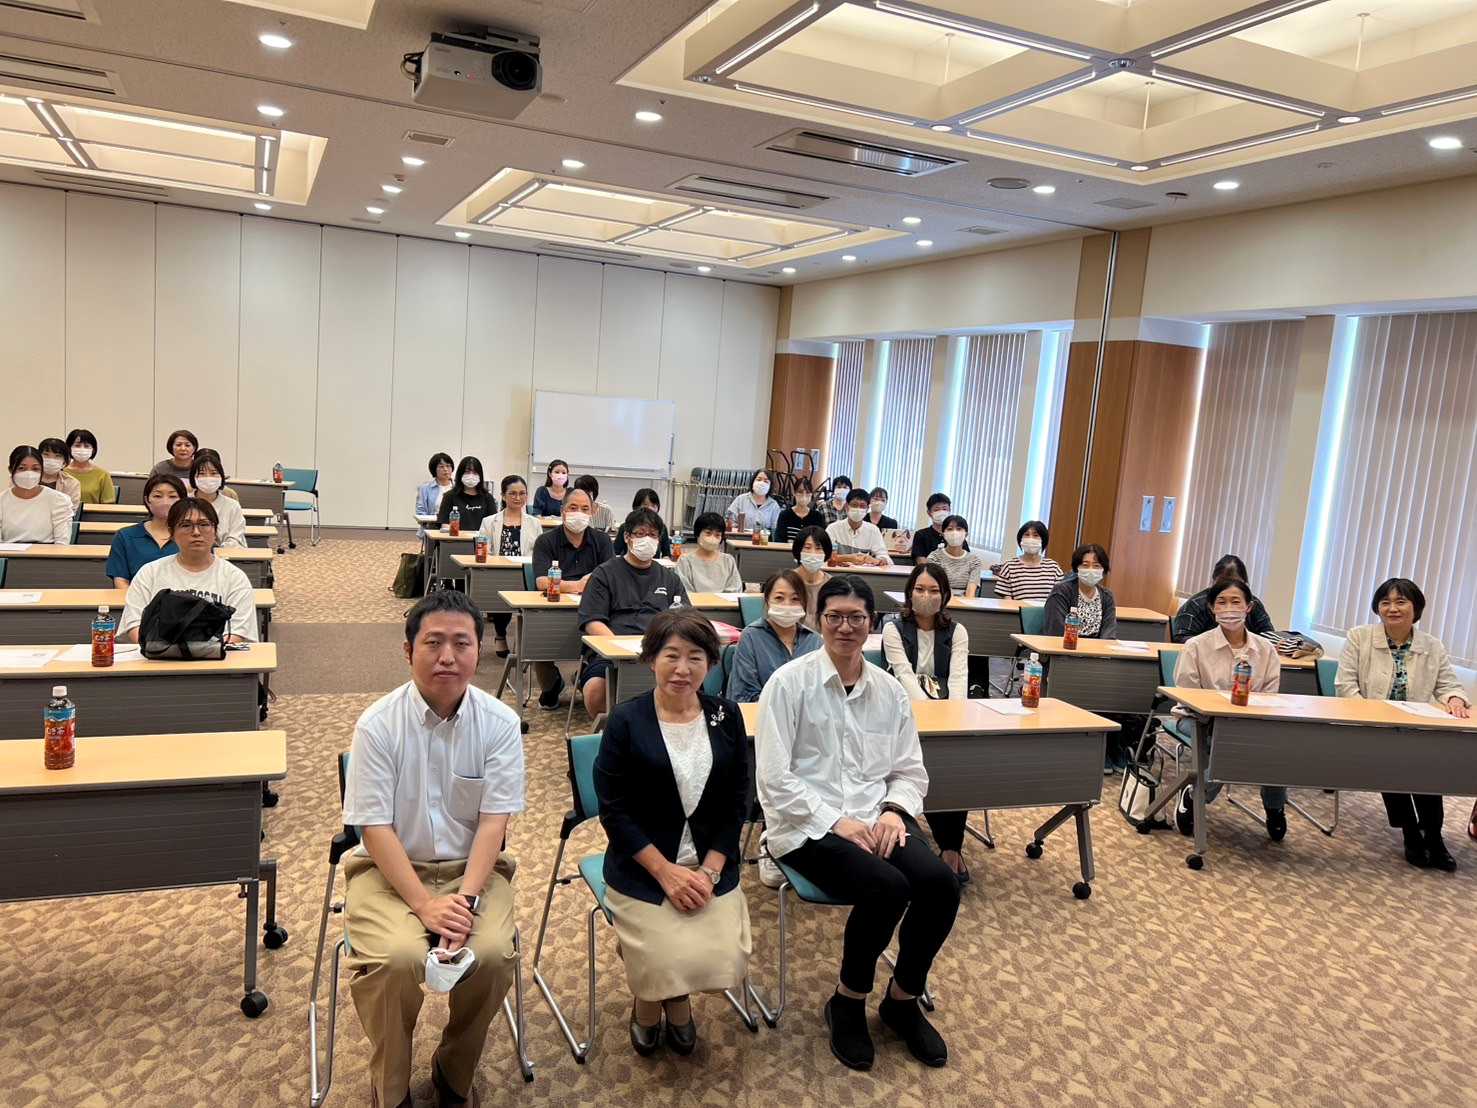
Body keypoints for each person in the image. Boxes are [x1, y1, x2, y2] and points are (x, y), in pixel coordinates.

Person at [756, 575, 958, 1071]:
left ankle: (902, 1000)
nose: (845, 627)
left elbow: (910, 771)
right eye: (834, 617)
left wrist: (893, 810)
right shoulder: (789, 684)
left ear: (872, 623)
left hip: (875, 818)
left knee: (940, 884)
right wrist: (835, 821)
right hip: (805, 827)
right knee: (887, 888)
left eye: (856, 618)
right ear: (817, 620)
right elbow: (774, 780)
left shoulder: (889, 691)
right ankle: (847, 1001)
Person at [341, 589, 524, 1108]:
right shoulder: (378, 724)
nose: (448, 656)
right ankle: (391, 1086)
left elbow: (493, 825)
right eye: (433, 643)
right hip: (390, 870)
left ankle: (453, 1071)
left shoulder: (500, 723)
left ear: (479, 650)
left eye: (461, 643)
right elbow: (374, 827)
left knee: (491, 954)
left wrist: (465, 902)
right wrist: (424, 904)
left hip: (473, 871)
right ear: (408, 651)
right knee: (396, 959)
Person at [594, 609, 751, 1057]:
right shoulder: (626, 720)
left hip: (708, 863)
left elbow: (737, 799)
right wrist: (665, 872)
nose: (683, 669)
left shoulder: (726, 715)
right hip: (644, 866)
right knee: (667, 955)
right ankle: (657, 1003)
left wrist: (709, 871)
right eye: (671, 655)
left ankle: (661, 989)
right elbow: (614, 810)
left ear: (712, 664)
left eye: (695, 657)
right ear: (651, 660)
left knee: (723, 958)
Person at [1337, 577, 1471, 871]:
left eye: (1400, 602)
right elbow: (1345, 686)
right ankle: (1411, 832)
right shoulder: (1359, 637)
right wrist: (1369, 716)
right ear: (1377, 608)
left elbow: (1448, 685)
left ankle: (1434, 837)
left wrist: (1455, 699)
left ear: (1416, 607)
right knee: (1391, 761)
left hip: (1416, 728)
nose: (1392, 608)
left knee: (1428, 768)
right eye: (1385, 602)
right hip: (1372, 727)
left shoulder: (1432, 645)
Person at [1170, 578, 1288, 842]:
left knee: (1277, 746)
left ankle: (1275, 806)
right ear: (1212, 608)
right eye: (1221, 602)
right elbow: (1187, 694)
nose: (1229, 608)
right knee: (1228, 744)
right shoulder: (1196, 646)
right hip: (1198, 719)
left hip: (1249, 722)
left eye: (1236, 602)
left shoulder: (1265, 650)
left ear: (1249, 607)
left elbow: (1270, 696)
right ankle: (1194, 797)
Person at [882, 564, 971, 882]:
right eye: (919, 589)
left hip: (946, 707)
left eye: (934, 590)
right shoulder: (893, 629)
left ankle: (951, 847)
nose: (926, 595)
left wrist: (951, 715)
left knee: (956, 761)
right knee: (926, 756)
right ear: (909, 593)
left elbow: (958, 677)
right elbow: (903, 674)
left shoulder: (957, 631)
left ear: (944, 595)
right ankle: (941, 842)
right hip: (904, 709)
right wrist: (927, 716)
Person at [577, 508, 690, 719]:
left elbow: (685, 620)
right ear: (627, 537)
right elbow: (592, 621)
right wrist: (619, 648)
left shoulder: (669, 578)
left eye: (653, 535)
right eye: (640, 533)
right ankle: (611, 731)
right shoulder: (605, 573)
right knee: (595, 691)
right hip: (612, 653)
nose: (647, 539)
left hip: (660, 652)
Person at [119, 498, 257, 643]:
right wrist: (162, 650)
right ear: (171, 532)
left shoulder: (234, 577)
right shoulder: (150, 573)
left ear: (215, 531)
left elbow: (238, 631)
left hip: (217, 655)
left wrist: (204, 651)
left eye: (204, 524)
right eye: (186, 525)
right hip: (158, 654)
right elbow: (134, 624)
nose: (196, 532)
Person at [530, 487, 615, 711]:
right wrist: (576, 586)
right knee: (538, 640)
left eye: (585, 509)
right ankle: (552, 685)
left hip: (595, 610)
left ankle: (586, 673)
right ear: (563, 511)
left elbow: (611, 578)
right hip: (553, 610)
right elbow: (541, 581)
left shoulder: (602, 540)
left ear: (593, 512)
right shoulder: (546, 541)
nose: (579, 513)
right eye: (573, 507)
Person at [728, 569, 821, 703]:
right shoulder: (751, 637)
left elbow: (821, 692)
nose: (787, 605)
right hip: (762, 712)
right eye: (779, 598)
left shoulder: (814, 641)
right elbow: (744, 694)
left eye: (795, 599)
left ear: (804, 603)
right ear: (767, 601)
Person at [477, 475, 543, 657]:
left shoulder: (534, 523)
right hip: (498, 573)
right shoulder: (489, 521)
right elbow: (484, 549)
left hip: (524, 573)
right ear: (503, 496)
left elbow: (539, 552)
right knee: (500, 595)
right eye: (512, 493)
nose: (517, 497)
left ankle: (527, 641)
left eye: (522, 493)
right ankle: (500, 634)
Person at [1171, 555, 1276, 643]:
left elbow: (1269, 636)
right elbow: (1181, 639)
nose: (1229, 589)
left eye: (1236, 584)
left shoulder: (1253, 604)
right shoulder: (1196, 605)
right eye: (1222, 585)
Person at [105, 473, 185, 587]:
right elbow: (120, 580)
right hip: (135, 596)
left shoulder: (191, 534)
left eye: (172, 496)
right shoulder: (125, 536)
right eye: (158, 496)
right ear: (147, 500)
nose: (165, 502)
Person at [0, 446, 73, 544]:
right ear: (10, 470)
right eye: (21, 468)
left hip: (48, 552)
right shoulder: (2, 500)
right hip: (8, 552)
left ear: (42, 471)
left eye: (35, 469)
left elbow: (62, 543)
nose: (29, 473)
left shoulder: (59, 500)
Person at [1043, 543, 1116, 639]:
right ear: (1077, 568)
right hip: (1066, 645)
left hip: (1096, 647)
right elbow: (1056, 631)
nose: (1091, 570)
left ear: (1103, 570)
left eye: (1096, 566)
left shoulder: (1106, 596)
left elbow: (1109, 632)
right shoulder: (1061, 592)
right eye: (1085, 565)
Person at [188, 448, 246, 549]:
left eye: (213, 473)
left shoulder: (232, 506)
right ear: (194, 477)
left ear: (221, 477)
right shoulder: (184, 503)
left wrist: (216, 551)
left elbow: (235, 538)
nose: (208, 477)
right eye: (202, 474)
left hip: (226, 555)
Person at [992, 521, 1062, 602]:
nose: (1030, 539)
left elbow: (1059, 598)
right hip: (1018, 610)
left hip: (1048, 610)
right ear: (1020, 539)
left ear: (1043, 540)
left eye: (1036, 535)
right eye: (1027, 535)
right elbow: (1007, 601)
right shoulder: (1009, 566)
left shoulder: (1053, 567)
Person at [675, 511, 742, 594]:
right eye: (708, 533)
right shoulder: (685, 561)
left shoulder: (728, 561)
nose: (712, 538)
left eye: (717, 535)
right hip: (694, 602)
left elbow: (734, 590)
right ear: (698, 534)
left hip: (723, 602)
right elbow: (685, 591)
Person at [826, 488, 892, 566]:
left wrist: (878, 560)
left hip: (863, 572)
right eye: (854, 505)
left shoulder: (873, 530)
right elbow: (826, 556)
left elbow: (884, 557)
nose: (858, 509)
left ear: (867, 509)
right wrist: (849, 558)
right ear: (846, 506)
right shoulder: (833, 529)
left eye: (862, 506)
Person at [926, 515, 983, 599]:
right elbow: (940, 586)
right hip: (941, 600)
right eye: (950, 529)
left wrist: (965, 604)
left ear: (966, 534)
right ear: (943, 534)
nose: (954, 532)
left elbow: (971, 592)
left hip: (965, 602)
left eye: (959, 529)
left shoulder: (974, 561)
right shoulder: (934, 558)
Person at [436, 456, 497, 533]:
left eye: (475, 472)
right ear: (460, 474)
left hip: (481, 539)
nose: (471, 475)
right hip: (456, 538)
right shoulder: (449, 496)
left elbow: (493, 525)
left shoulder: (487, 497)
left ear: (480, 475)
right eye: (467, 472)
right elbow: (445, 525)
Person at [791, 525, 833, 630]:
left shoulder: (832, 584)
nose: (813, 553)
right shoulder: (786, 581)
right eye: (807, 548)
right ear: (798, 551)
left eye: (818, 548)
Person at [613, 488, 672, 558]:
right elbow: (615, 552)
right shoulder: (625, 526)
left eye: (653, 505)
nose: (650, 508)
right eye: (645, 505)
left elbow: (666, 554)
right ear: (636, 507)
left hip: (653, 563)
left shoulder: (661, 527)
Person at [63, 428, 115, 504]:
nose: (82, 449)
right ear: (69, 448)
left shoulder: (102, 475)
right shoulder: (62, 472)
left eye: (86, 446)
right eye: (77, 445)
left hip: (93, 512)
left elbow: (109, 504)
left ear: (93, 450)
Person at [725, 468, 781, 533]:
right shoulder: (740, 500)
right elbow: (730, 521)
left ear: (770, 486)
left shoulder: (773, 505)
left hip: (763, 538)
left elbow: (775, 529)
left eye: (766, 481)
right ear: (753, 482)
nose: (762, 483)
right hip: (741, 537)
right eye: (759, 479)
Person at [415, 452, 456, 538]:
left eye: (448, 466)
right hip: (432, 528)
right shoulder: (425, 488)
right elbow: (420, 512)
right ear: (434, 469)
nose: (446, 469)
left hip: (456, 527)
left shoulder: (457, 488)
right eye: (441, 466)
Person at [37, 437, 81, 510]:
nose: (51, 459)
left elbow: (71, 510)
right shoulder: (28, 477)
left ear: (64, 462)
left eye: (57, 456)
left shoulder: (72, 483)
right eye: (46, 454)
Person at [774, 476, 821, 543]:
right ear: (794, 493)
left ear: (811, 494)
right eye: (800, 492)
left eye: (807, 492)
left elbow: (821, 540)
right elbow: (779, 540)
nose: (804, 495)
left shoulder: (817, 516)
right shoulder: (785, 515)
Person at [910, 494, 955, 563]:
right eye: (936, 509)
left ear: (949, 511)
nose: (941, 512)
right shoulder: (921, 535)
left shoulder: (956, 534)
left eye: (944, 509)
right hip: (929, 570)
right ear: (929, 513)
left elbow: (965, 559)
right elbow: (921, 562)